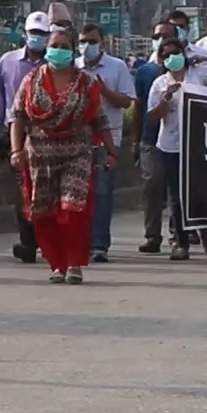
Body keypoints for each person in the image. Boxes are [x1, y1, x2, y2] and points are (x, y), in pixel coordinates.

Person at [8, 30, 116, 284]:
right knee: (45, 211)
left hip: (77, 153)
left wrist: (111, 151)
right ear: (47, 48)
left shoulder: (86, 83)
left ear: (72, 49)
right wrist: (16, 150)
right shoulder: (31, 80)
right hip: (40, 155)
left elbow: (99, 120)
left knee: (73, 209)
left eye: (64, 46)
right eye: (54, 45)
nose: (59, 50)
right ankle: (57, 264)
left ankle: (74, 263)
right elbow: (18, 117)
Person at [0, 11, 54, 264]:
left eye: (41, 34)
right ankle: (28, 241)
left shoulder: (56, 63)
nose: (36, 38)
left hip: (49, 134)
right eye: (33, 33)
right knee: (24, 190)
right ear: (25, 34)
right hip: (16, 133)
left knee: (48, 189)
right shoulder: (9, 62)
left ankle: (46, 240)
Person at [145, 38, 207, 261]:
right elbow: (153, 118)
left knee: (200, 191)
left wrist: (206, 58)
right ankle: (181, 242)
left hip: (199, 143)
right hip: (171, 145)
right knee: (176, 196)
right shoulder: (159, 83)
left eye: (175, 53)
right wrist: (165, 99)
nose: (172, 58)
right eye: (166, 55)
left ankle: (204, 226)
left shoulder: (198, 76)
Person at [73, 24, 134, 264]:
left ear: (102, 43)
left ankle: (99, 245)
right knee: (78, 192)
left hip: (108, 139)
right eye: (82, 41)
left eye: (91, 41)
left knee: (101, 193)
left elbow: (126, 101)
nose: (86, 46)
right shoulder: (73, 67)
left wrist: (104, 91)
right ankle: (79, 242)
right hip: (77, 139)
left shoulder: (116, 67)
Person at [131, 22, 176, 253]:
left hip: (179, 141)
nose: (161, 40)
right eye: (157, 36)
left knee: (176, 190)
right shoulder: (145, 72)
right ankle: (152, 235)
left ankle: (178, 236)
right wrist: (136, 141)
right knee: (152, 185)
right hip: (151, 139)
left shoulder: (186, 71)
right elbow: (139, 107)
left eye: (166, 36)